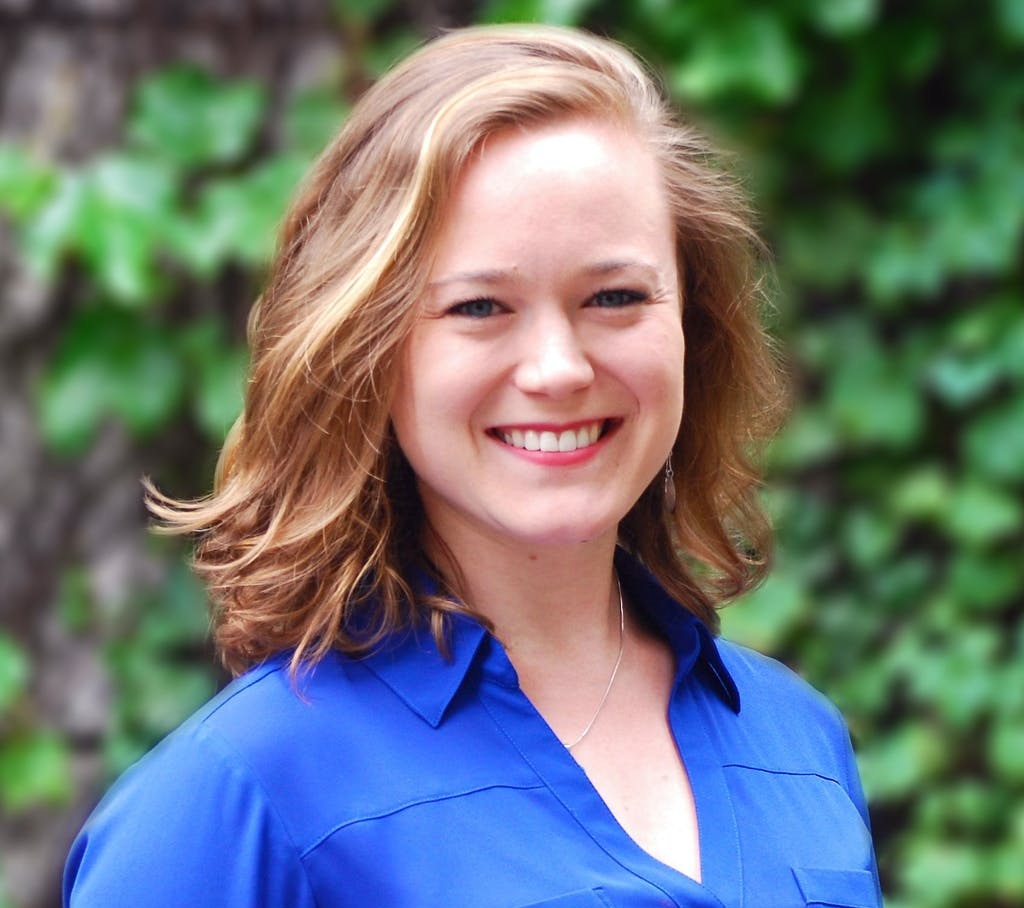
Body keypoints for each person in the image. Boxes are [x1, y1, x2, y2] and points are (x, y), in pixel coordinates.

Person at [63, 23, 882, 908]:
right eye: (481, 306)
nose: (559, 369)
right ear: (365, 352)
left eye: (615, 297)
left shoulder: (800, 742)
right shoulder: (241, 801)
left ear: (695, 323)